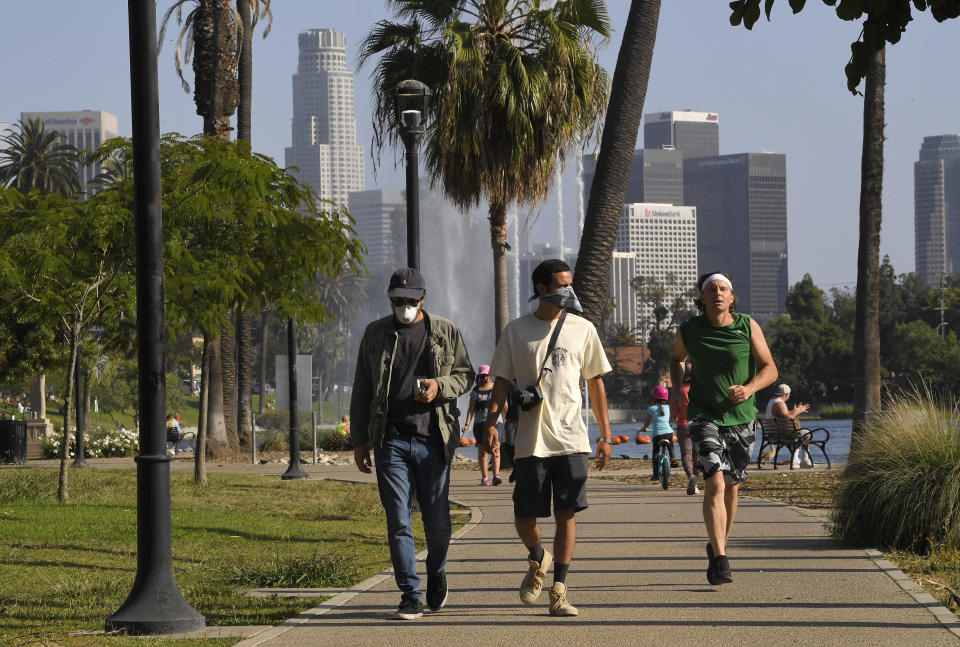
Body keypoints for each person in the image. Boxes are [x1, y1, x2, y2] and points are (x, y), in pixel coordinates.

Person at [483, 258, 614, 617]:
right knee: (525, 516)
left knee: (566, 514)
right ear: (540, 288)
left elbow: (596, 382)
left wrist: (605, 435)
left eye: (570, 284)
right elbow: (502, 382)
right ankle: (539, 557)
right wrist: (491, 424)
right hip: (530, 440)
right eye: (560, 285)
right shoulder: (516, 330)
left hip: (572, 439)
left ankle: (559, 589)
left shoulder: (583, 329)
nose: (568, 292)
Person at [349, 267, 474, 620]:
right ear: (390, 299)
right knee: (399, 519)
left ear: (423, 298)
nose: (404, 306)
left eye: (410, 301)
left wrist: (439, 387)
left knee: (437, 520)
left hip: (434, 439)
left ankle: (437, 570)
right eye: (397, 301)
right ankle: (409, 593)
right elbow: (361, 389)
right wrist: (360, 441)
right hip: (391, 440)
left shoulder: (444, 331)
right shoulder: (375, 334)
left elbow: (464, 375)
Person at [670, 271, 777, 586]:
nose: (718, 293)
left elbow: (770, 368)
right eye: (711, 289)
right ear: (702, 298)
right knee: (715, 483)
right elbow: (677, 360)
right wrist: (677, 389)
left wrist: (749, 387)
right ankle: (720, 558)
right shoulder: (689, 330)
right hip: (704, 416)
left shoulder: (747, 326)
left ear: (732, 297)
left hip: (742, 417)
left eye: (724, 289)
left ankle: (718, 544)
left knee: (732, 487)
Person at [462, 365, 501, 485]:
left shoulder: (496, 388)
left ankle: (496, 476)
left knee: (496, 448)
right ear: (479, 376)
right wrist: (467, 424)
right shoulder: (475, 391)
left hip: (495, 423)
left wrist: (509, 419)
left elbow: (503, 405)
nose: (486, 378)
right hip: (479, 424)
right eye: (484, 376)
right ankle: (485, 478)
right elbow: (471, 409)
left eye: (488, 375)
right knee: (482, 450)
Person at [765, 384, 813, 468]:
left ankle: (798, 460)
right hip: (782, 435)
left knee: (798, 433)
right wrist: (798, 411)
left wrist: (796, 410)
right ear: (787, 394)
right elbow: (788, 417)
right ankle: (803, 460)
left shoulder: (772, 401)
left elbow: (785, 414)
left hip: (774, 434)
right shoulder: (779, 403)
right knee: (807, 433)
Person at [672, 362, 701, 495]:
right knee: (697, 456)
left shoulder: (679, 390)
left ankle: (691, 478)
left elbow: (674, 410)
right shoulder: (699, 388)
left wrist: (675, 416)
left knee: (686, 455)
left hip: (683, 425)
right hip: (697, 424)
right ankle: (696, 485)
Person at [642, 386, 674, 482]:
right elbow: (671, 419)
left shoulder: (651, 409)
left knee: (656, 452)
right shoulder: (669, 407)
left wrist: (644, 428)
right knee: (671, 447)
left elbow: (647, 422)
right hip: (669, 433)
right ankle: (673, 459)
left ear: (654, 398)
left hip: (657, 435)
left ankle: (655, 475)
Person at [501, 381, 521, 481]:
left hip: (525, 418)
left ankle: (520, 469)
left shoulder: (528, 379)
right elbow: (502, 398)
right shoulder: (510, 382)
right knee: (509, 444)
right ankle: (515, 467)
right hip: (511, 417)